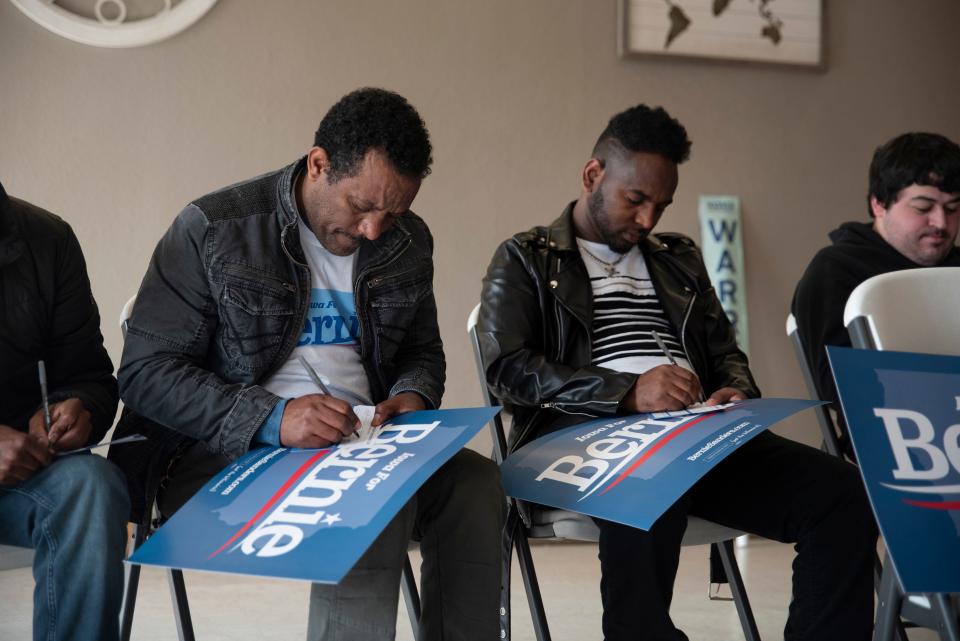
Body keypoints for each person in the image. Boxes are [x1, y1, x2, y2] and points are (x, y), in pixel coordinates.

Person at [110, 88, 504, 641]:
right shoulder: (215, 227)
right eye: (362, 207)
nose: (374, 229)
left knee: (476, 482)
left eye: (393, 213)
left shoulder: (407, 243)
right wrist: (274, 418)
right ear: (319, 164)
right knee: (372, 497)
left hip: (359, 441)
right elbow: (146, 374)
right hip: (222, 453)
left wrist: (412, 397)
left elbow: (422, 352)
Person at [478, 104, 876, 641]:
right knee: (647, 482)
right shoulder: (526, 258)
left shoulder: (678, 258)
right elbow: (506, 368)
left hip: (696, 436)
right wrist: (627, 394)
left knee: (841, 492)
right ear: (593, 175)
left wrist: (735, 391)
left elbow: (725, 351)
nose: (647, 221)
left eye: (660, 206)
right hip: (589, 443)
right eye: (635, 200)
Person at [0, 181, 129, 641]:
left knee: (92, 487)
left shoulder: (47, 239)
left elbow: (90, 374)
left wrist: (75, 408)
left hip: (28, 471)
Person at [793, 132, 960, 453]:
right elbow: (840, 388)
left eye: (953, 208)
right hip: (896, 443)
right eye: (923, 206)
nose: (941, 222)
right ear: (878, 204)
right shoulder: (835, 270)